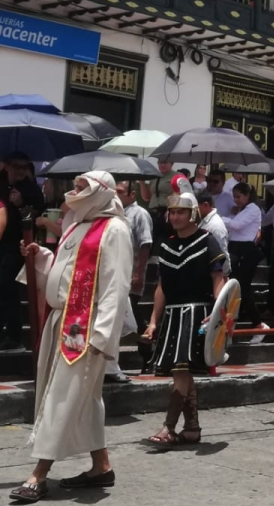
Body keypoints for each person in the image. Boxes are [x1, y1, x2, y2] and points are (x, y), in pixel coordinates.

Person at [11, 172, 131, 503]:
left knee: (61, 397)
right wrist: (40, 257)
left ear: (100, 193)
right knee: (84, 400)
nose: (74, 192)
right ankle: (100, 466)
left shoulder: (115, 229)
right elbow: (66, 272)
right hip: (61, 320)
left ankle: (39, 472)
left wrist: (103, 335)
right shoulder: (76, 225)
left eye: (81, 188)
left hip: (85, 329)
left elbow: (116, 286)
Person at [143, 193, 226, 446]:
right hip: (173, 314)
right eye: (172, 212)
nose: (175, 216)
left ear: (192, 214)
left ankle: (168, 427)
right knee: (182, 372)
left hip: (198, 313)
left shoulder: (207, 240)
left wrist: (218, 311)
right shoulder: (165, 245)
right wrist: (153, 320)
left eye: (181, 212)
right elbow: (161, 287)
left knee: (180, 370)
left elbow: (218, 279)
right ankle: (191, 428)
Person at [107, 181, 153, 383]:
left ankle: (148, 353)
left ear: (132, 194)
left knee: (133, 315)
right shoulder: (115, 213)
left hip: (131, 272)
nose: (116, 195)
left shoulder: (139, 214)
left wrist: (139, 273)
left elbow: (145, 244)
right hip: (116, 274)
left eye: (120, 192)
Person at [1, 152, 44, 351]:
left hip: (17, 244)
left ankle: (13, 335)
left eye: (24, 167)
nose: (20, 171)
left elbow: (36, 217)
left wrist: (21, 205)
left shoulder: (31, 189)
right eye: (16, 166)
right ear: (7, 166)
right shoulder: (2, 184)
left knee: (9, 287)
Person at [222, 183, 268, 331]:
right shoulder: (241, 210)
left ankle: (258, 323)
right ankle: (235, 318)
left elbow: (237, 225)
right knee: (234, 287)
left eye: (238, 197)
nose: (236, 200)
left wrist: (219, 216)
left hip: (246, 250)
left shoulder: (253, 209)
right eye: (234, 197)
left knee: (242, 288)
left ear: (247, 195)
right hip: (235, 248)